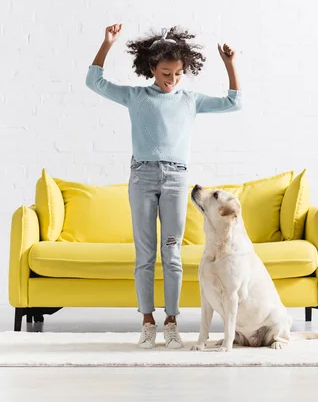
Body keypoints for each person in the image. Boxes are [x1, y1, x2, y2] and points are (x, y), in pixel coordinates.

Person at [85, 23, 242, 349]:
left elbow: (233, 102)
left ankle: (172, 322)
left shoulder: (190, 100)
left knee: (172, 254)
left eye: (179, 74)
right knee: (144, 255)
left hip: (175, 179)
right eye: (166, 73)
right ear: (152, 68)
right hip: (142, 178)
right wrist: (107, 43)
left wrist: (230, 65)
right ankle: (147, 322)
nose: (171, 80)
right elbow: (94, 81)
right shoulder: (136, 96)